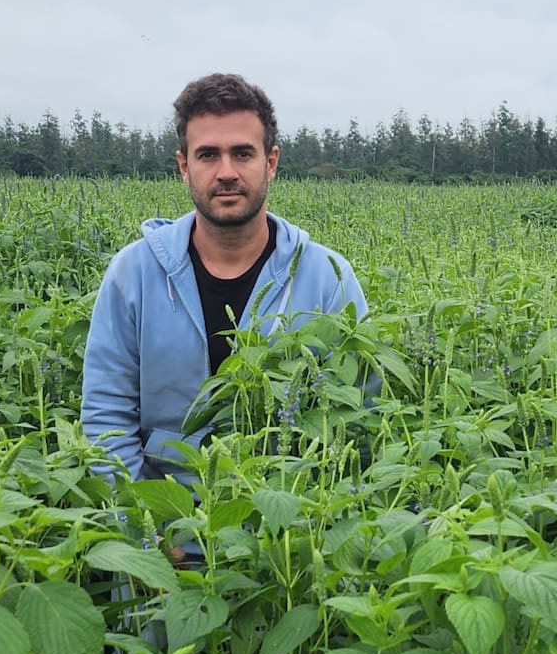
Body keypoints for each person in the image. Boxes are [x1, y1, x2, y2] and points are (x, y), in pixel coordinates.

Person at [81, 72, 368, 487]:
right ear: (184, 166)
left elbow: (360, 413)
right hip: (166, 524)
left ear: (271, 162)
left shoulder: (327, 278)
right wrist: (145, 529)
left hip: (291, 526)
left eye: (243, 154)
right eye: (208, 155)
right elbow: (106, 415)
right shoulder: (134, 273)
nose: (227, 172)